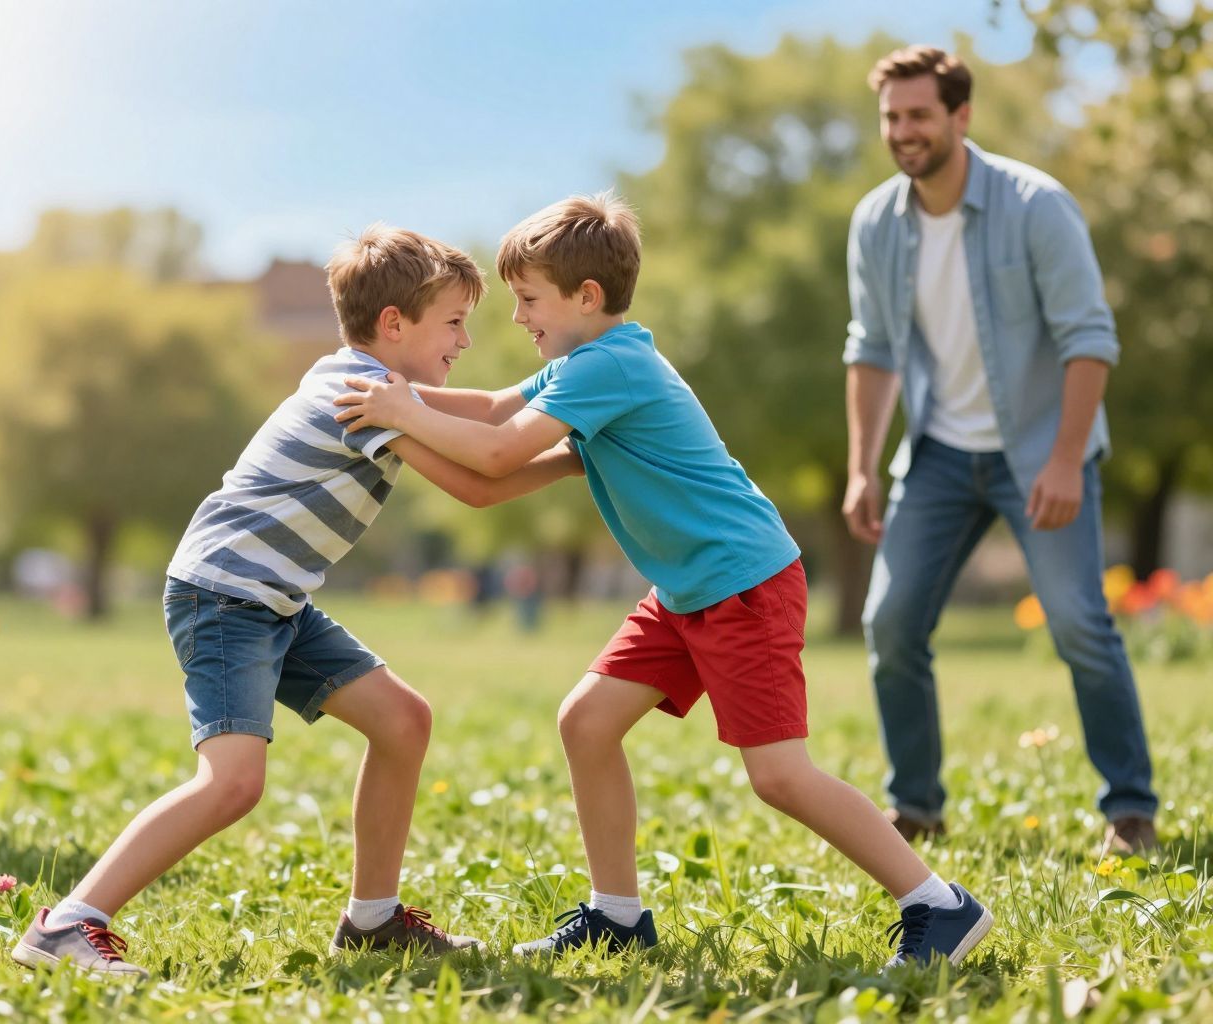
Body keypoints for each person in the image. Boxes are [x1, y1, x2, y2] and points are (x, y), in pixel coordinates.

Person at [335, 192, 993, 968]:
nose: (518, 320)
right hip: (685, 592)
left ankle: (940, 906)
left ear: (587, 297)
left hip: (741, 583)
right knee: (588, 722)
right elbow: (485, 416)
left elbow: (497, 453)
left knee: (780, 775)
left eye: (528, 300)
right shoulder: (585, 364)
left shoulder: (610, 365)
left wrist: (397, 410)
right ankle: (618, 915)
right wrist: (384, 395)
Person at [12, 226, 584, 976]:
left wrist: (580, 380)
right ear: (393, 325)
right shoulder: (360, 398)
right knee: (233, 783)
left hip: (272, 600)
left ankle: (373, 921)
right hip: (224, 595)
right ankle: (69, 924)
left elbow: (483, 408)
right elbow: (476, 485)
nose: (466, 339)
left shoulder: (374, 382)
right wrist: (572, 458)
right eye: (452, 322)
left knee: (403, 720)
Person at [841, 45, 1157, 853]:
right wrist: (861, 466)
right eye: (892, 118)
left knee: (1080, 624)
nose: (904, 132)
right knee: (892, 623)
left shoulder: (1035, 206)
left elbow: (1091, 340)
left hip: (1040, 451)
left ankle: (1130, 809)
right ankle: (916, 805)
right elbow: (871, 349)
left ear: (960, 116)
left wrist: (1063, 459)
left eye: (918, 115)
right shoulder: (877, 222)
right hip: (940, 455)